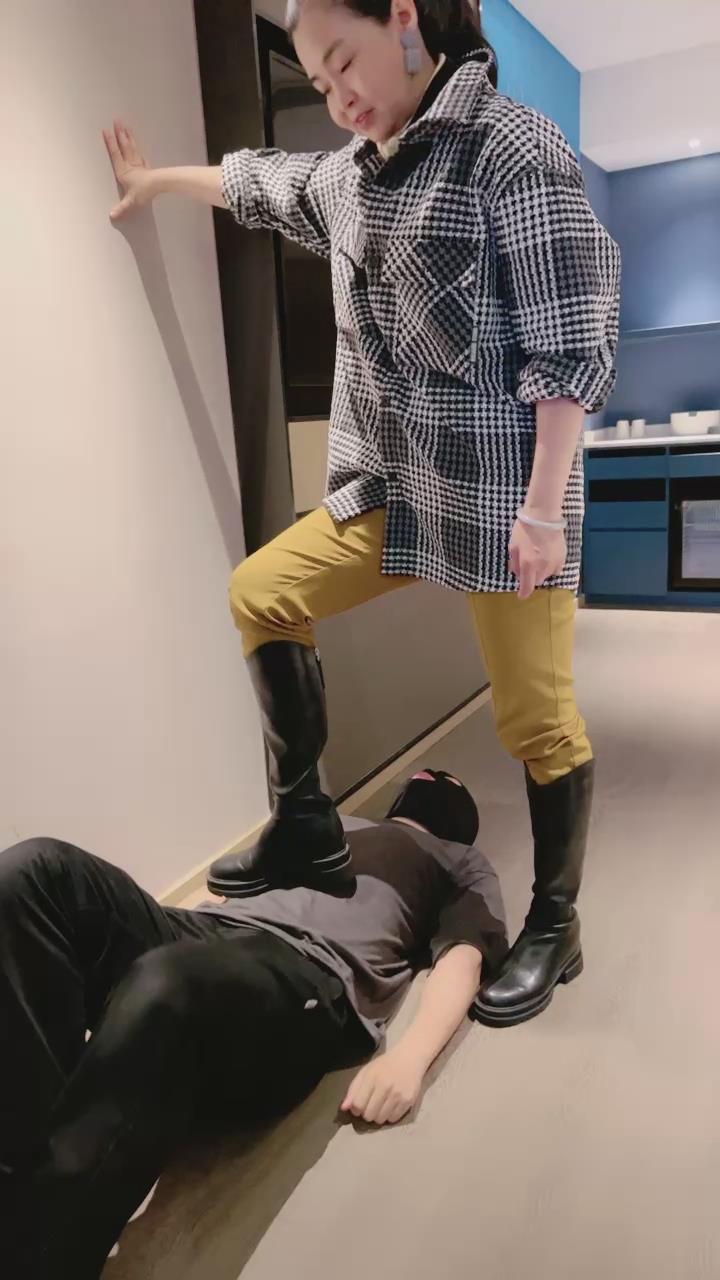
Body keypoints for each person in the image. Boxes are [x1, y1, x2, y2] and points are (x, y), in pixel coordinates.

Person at [102, 0, 620, 1025]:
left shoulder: (512, 149)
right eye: (319, 80)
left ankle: (556, 923)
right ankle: (305, 822)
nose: (338, 97)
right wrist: (155, 182)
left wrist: (546, 512)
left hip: (501, 503)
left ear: (405, 20)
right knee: (262, 589)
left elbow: (571, 344)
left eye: (345, 62)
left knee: (535, 719)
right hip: (395, 492)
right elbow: (261, 182)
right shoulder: (349, 176)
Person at [1, 770, 507, 1278]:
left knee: (169, 980)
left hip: (303, 971)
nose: (422, 778)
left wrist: (409, 1060)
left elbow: (464, 956)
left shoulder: (460, 859)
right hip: (205, 927)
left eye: (436, 779)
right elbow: (239, 879)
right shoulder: (332, 821)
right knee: (32, 871)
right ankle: (24, 1167)